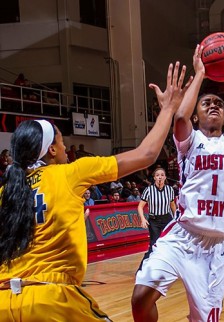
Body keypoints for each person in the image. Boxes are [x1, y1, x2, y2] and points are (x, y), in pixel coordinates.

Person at [0, 62, 191, 320]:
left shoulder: (6, 191)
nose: (66, 149)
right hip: (50, 299)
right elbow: (147, 154)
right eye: (61, 143)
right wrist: (167, 109)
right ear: (51, 151)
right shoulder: (72, 173)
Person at [131, 42, 224, 322]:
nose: (214, 105)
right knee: (141, 297)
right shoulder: (190, 140)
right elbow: (181, 115)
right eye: (207, 103)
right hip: (182, 234)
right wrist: (200, 73)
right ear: (198, 115)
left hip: (217, 245)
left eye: (219, 104)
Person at [137, 167, 176, 261]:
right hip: (154, 220)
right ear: (154, 178)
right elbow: (140, 206)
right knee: (154, 245)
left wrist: (176, 219)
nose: (160, 177)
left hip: (167, 219)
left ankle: (166, 267)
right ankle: (142, 269)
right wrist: (143, 219)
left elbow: (173, 206)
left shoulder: (170, 190)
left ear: (165, 177)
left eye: (162, 175)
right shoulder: (148, 190)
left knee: (169, 244)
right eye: (157, 175)